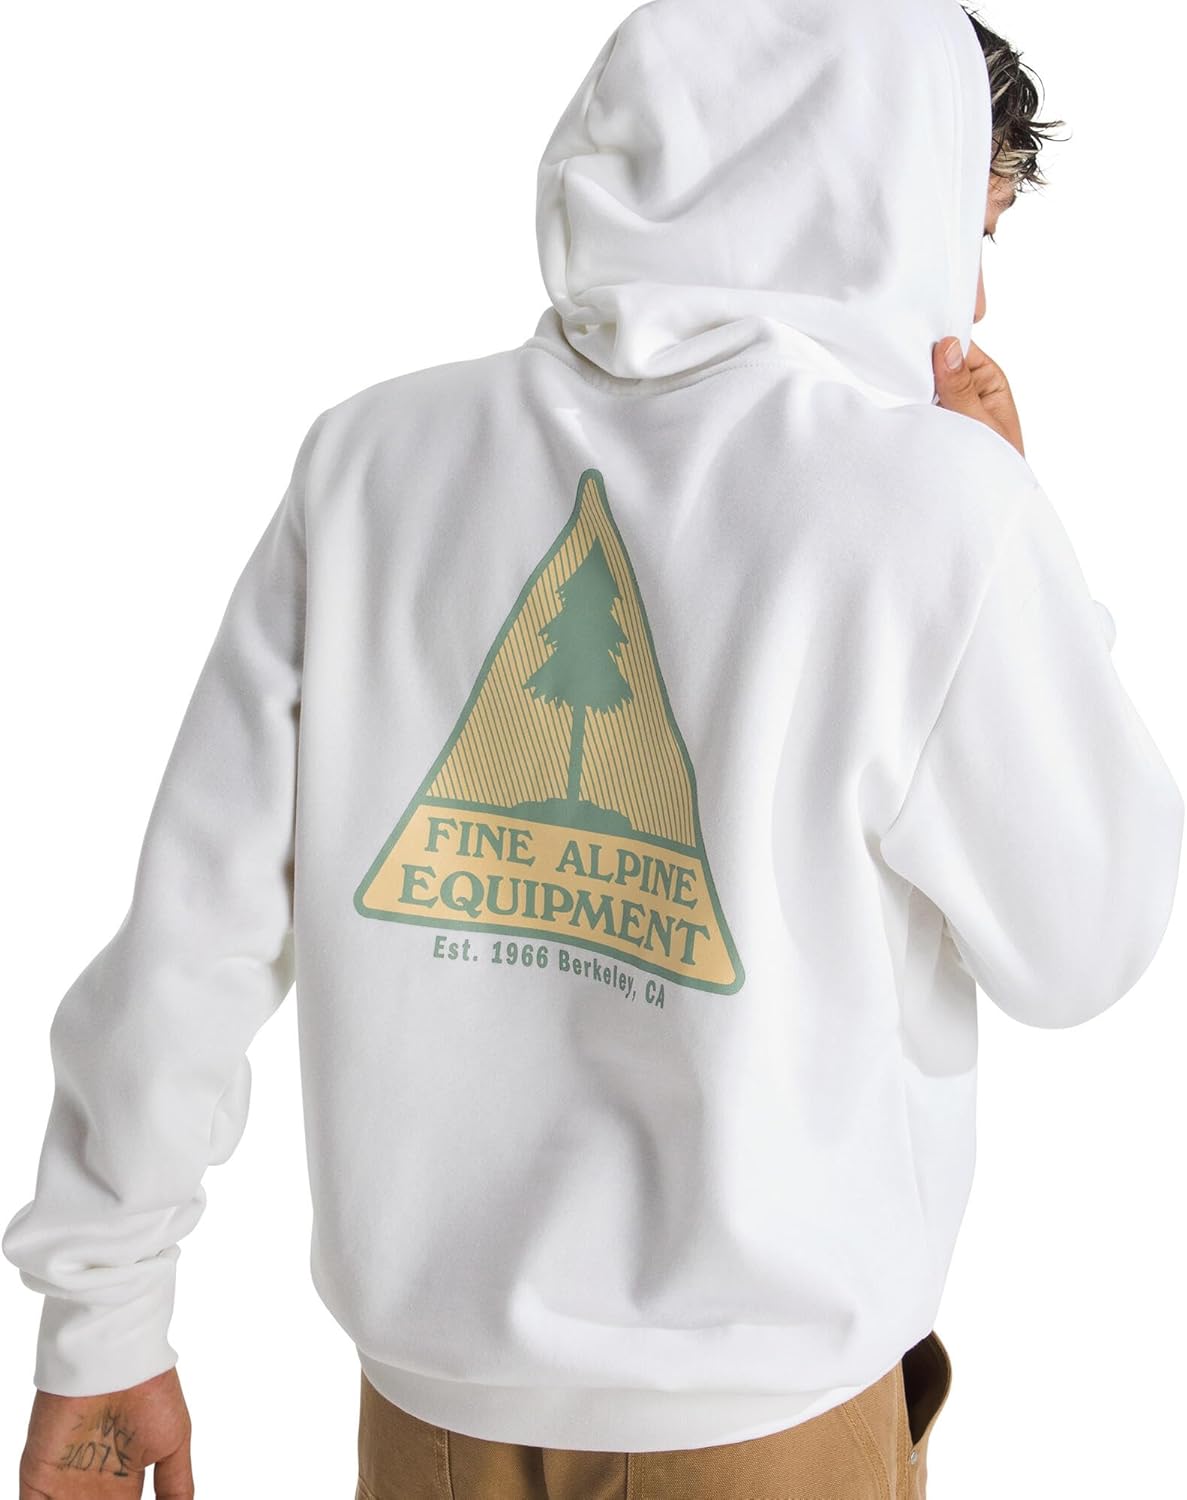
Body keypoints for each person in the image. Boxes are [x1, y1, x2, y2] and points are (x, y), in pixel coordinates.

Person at [6, 0, 1183, 1496]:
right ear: (881, 185)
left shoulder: (371, 459)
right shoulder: (937, 508)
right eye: (973, 225)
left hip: (428, 1419)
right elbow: (1083, 946)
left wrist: (102, 1323)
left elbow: (195, 930)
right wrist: (1028, 563)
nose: (976, 296)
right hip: (768, 1428)